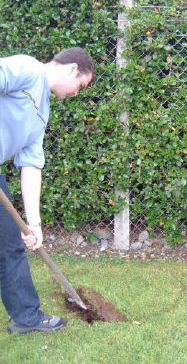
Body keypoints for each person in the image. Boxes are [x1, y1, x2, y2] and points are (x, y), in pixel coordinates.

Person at [0, 47, 95, 333]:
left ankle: (25, 318)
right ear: (71, 69)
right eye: (80, 85)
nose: (77, 93)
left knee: (10, 246)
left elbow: (30, 165)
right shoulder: (28, 69)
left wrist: (34, 224)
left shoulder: (42, 111)